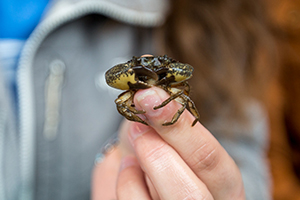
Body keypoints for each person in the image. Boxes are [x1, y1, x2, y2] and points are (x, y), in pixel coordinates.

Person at [0, 0, 274, 199]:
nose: (150, 69)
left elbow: (242, 160)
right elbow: (121, 98)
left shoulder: (210, 21)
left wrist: (222, 189)